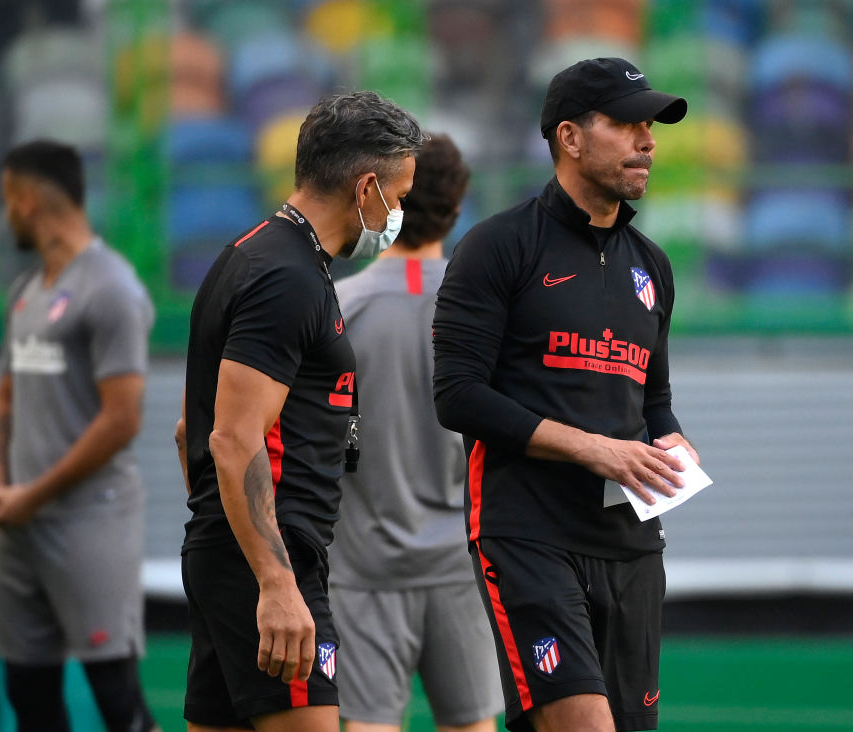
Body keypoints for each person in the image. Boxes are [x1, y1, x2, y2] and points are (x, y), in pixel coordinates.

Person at [431, 58, 700, 732]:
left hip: (631, 544)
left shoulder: (653, 266)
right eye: (627, 123)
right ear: (570, 138)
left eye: (651, 126)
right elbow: (458, 395)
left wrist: (669, 439)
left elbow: (654, 399)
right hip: (527, 535)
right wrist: (592, 450)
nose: (648, 140)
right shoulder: (498, 247)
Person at [174, 91, 425, 732]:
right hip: (271, 563)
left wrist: (224, 537)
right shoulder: (287, 277)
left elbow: (189, 433)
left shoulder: (251, 254)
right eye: (397, 197)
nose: (398, 214)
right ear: (366, 186)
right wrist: (275, 580)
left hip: (233, 556)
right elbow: (232, 439)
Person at [0, 139, 158, 732]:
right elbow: (5, 402)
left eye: (7, 201)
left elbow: (122, 420)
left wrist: (35, 492)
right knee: (29, 696)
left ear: (26, 201)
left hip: (89, 526)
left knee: (116, 698)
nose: (6, 215)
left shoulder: (114, 290)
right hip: (20, 528)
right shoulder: (25, 293)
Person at [329, 134, 504, 732]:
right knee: (473, 724)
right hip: (464, 562)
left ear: (382, 198)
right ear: (458, 204)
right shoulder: (488, 309)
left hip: (364, 563)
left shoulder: (338, 306)